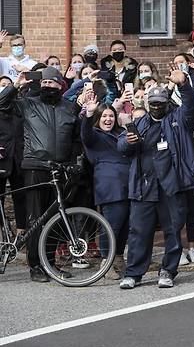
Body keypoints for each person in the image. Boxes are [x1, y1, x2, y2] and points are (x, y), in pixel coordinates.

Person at [118, 66, 194, 290]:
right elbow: (122, 145)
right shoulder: (141, 123)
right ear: (146, 104)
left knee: (173, 229)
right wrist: (129, 141)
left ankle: (168, 270)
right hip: (144, 185)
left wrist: (183, 84)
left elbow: (192, 106)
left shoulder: (179, 119)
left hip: (171, 185)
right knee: (138, 231)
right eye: (153, 104)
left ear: (167, 104)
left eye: (160, 104)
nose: (156, 107)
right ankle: (134, 273)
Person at [14, 67, 81, 282]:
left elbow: (76, 140)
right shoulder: (29, 103)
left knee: (55, 217)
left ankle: (49, 263)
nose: (46, 86)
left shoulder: (70, 108)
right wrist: (17, 85)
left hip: (58, 169)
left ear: (60, 85)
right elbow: (2, 104)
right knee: (36, 218)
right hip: (35, 166)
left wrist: (74, 163)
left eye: (51, 83)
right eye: (43, 83)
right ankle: (35, 266)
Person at [81, 96, 131, 279]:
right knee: (111, 225)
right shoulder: (94, 136)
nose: (108, 119)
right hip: (110, 185)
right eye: (104, 116)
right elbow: (85, 133)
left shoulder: (120, 133)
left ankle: (118, 258)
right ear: (98, 118)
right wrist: (89, 113)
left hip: (128, 184)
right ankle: (106, 261)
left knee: (125, 226)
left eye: (111, 116)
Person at [0, 77, 26, 238]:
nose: (6, 88)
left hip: (18, 158)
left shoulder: (20, 106)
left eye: (8, 86)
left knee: (21, 197)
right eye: (3, 86)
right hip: (2, 159)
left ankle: (21, 231)